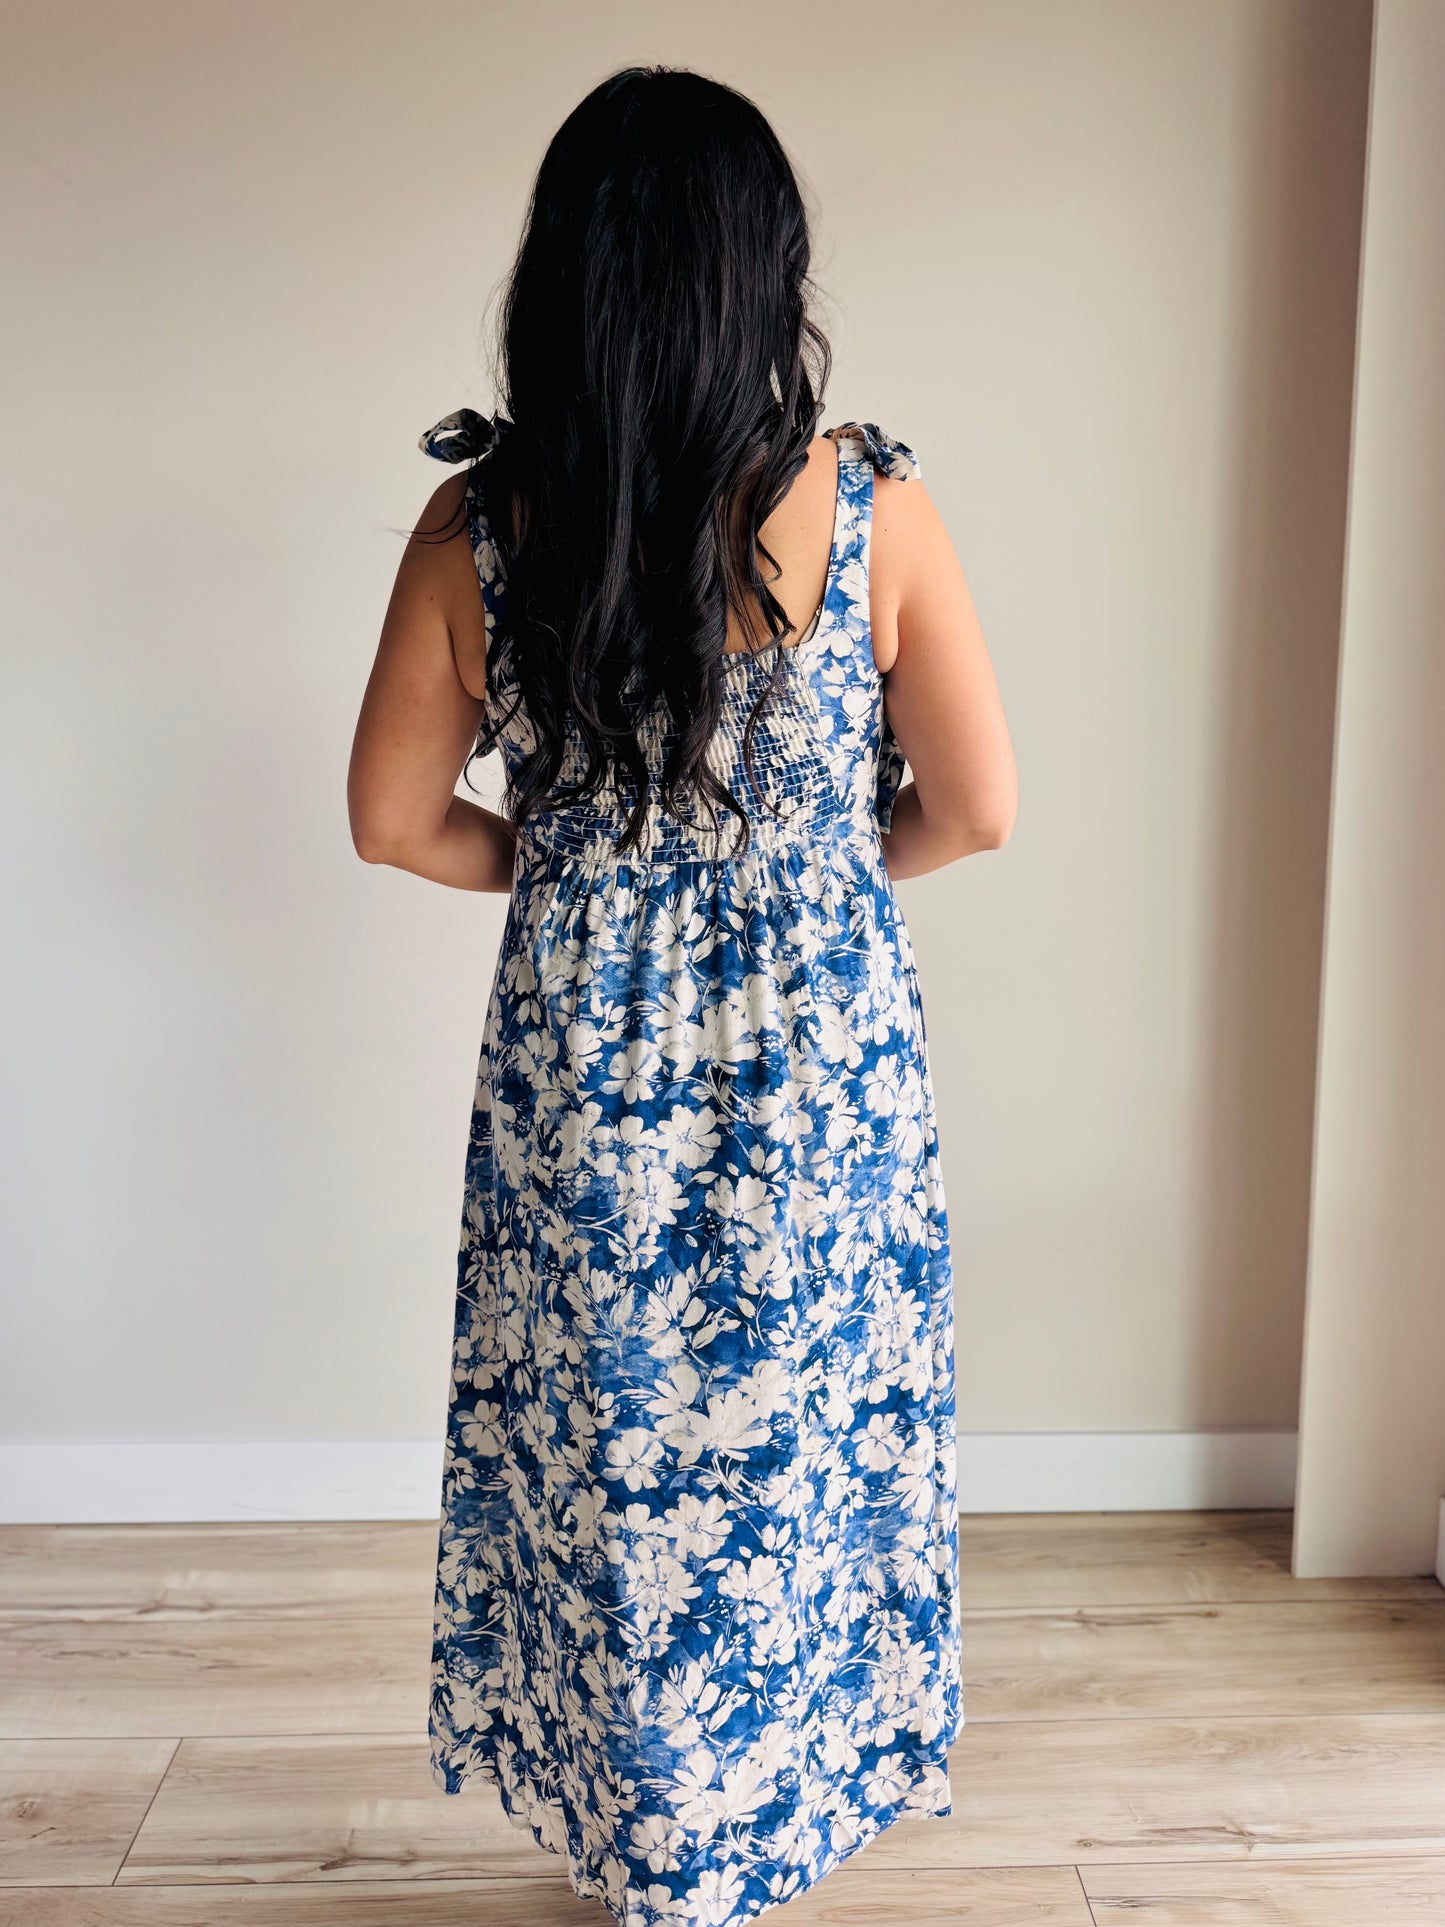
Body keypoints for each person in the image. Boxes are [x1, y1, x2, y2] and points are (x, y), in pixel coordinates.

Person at [348, 62, 1016, 1927]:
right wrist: (802, 879)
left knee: (609, 1438)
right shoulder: (870, 507)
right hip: (822, 1060)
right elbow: (976, 809)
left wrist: (583, 875)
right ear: (763, 273)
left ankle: (646, 1837)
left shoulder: (479, 527)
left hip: (581, 1061)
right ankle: (763, 1821)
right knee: (802, 1427)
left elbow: (394, 823)